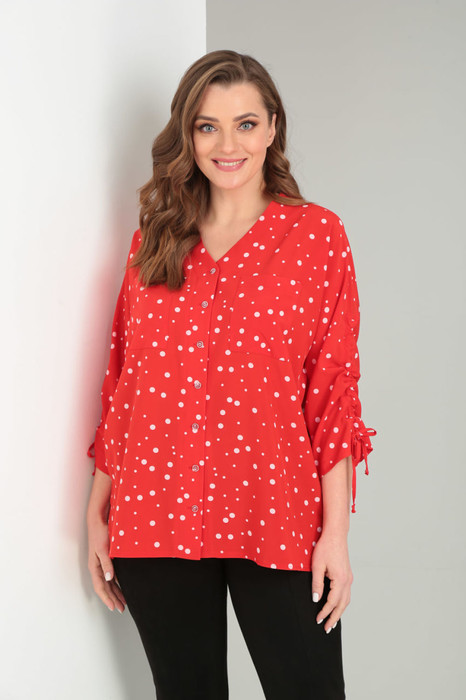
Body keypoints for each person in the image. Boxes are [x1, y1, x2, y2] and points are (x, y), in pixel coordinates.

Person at [86, 49, 376, 699]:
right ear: (188, 135)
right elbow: (126, 381)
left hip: (275, 512)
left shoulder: (316, 237)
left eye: (245, 124)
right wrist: (98, 506)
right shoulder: (155, 239)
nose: (227, 145)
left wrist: (335, 535)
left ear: (272, 128)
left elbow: (332, 392)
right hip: (155, 512)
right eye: (207, 126)